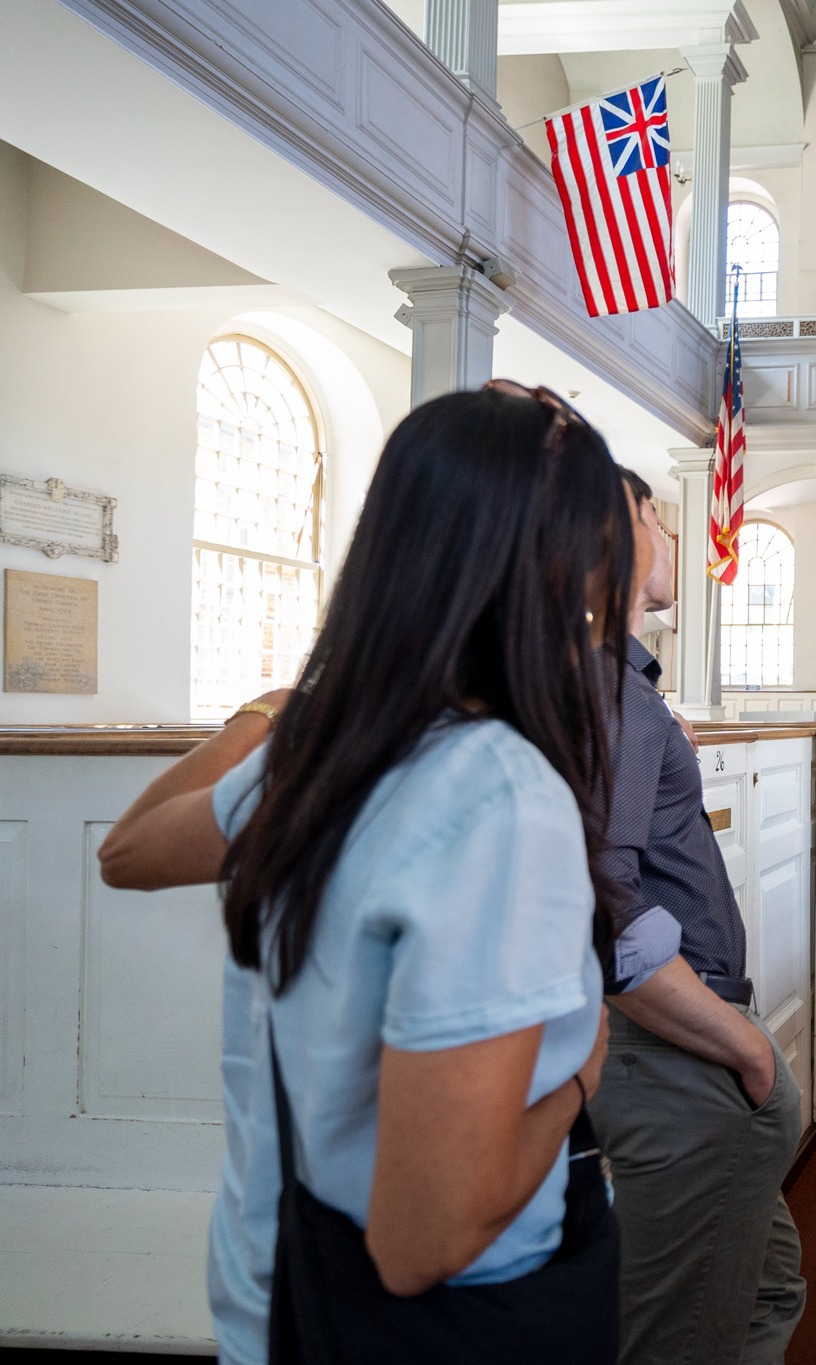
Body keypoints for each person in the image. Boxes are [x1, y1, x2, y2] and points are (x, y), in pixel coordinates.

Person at [97, 382, 634, 1363]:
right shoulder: (497, 796)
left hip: (280, 1285)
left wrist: (283, 713)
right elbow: (424, 1238)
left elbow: (128, 848)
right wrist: (580, 1075)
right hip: (451, 1322)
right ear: (562, 567)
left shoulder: (318, 754)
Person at [590, 469, 806, 1365]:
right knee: (683, 1338)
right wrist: (743, 1044)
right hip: (677, 1044)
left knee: (765, 1288)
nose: (673, 535)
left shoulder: (627, 686)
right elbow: (605, 893)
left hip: (688, 1039)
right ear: (615, 536)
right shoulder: (610, 691)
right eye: (656, 516)